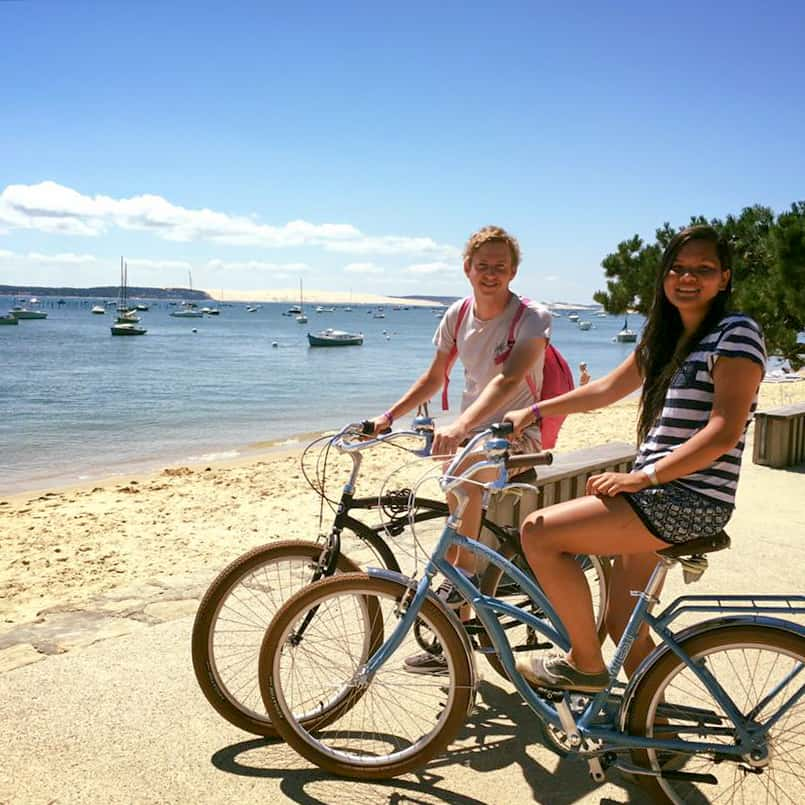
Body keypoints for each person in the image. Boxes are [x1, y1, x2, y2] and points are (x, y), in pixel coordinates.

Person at [504, 225, 765, 691]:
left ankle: (584, 665)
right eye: (678, 268)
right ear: (664, 276)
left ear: (724, 279)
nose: (688, 278)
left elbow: (723, 431)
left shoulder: (736, 333)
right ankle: (654, 742)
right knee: (628, 626)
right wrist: (533, 409)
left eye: (703, 269)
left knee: (538, 534)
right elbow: (604, 390)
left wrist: (643, 477)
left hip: (686, 498)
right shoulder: (664, 339)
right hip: (666, 494)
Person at [367, 225, 552, 673]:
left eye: (500, 267)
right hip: (469, 432)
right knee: (454, 524)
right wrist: (387, 417)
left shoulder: (532, 317)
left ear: (513, 271)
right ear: (467, 268)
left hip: (516, 431)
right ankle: (456, 638)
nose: (491, 274)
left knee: (462, 492)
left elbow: (509, 379)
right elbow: (436, 377)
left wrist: (463, 426)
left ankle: (460, 592)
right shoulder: (457, 314)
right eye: (483, 265)